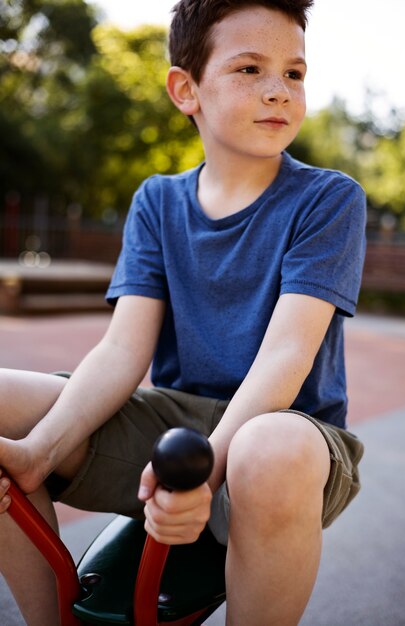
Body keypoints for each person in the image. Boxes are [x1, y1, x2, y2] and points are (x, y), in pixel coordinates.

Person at [0, 1, 367, 624]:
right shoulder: (157, 202)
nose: (279, 91)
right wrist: (38, 449)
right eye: (250, 69)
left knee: (267, 451)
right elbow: (122, 351)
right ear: (185, 89)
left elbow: (286, 355)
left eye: (295, 74)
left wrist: (203, 473)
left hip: (287, 430)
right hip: (175, 426)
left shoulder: (328, 200)